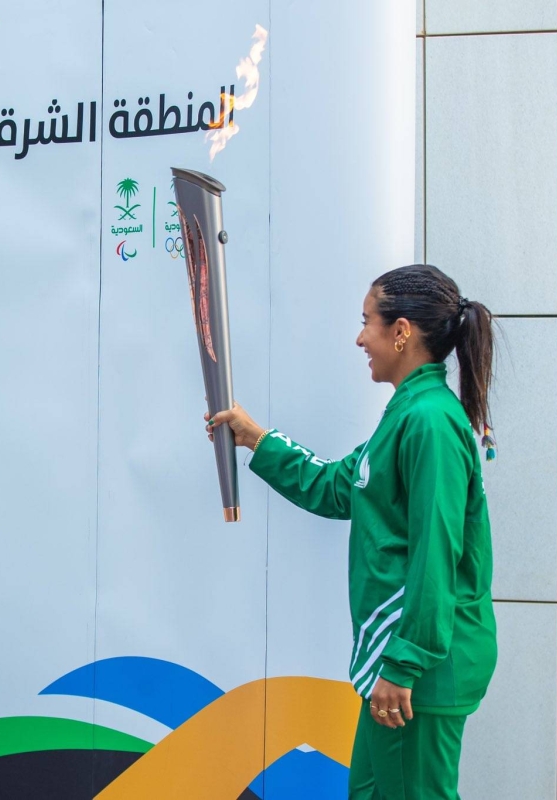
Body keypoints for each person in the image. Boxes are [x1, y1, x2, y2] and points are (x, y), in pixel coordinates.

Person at [207, 264, 498, 799]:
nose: (360, 338)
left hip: (419, 671)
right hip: (403, 664)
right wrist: (255, 438)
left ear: (401, 331)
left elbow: (436, 555)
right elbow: (338, 487)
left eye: (367, 322)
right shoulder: (408, 413)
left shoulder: (430, 422)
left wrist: (403, 665)